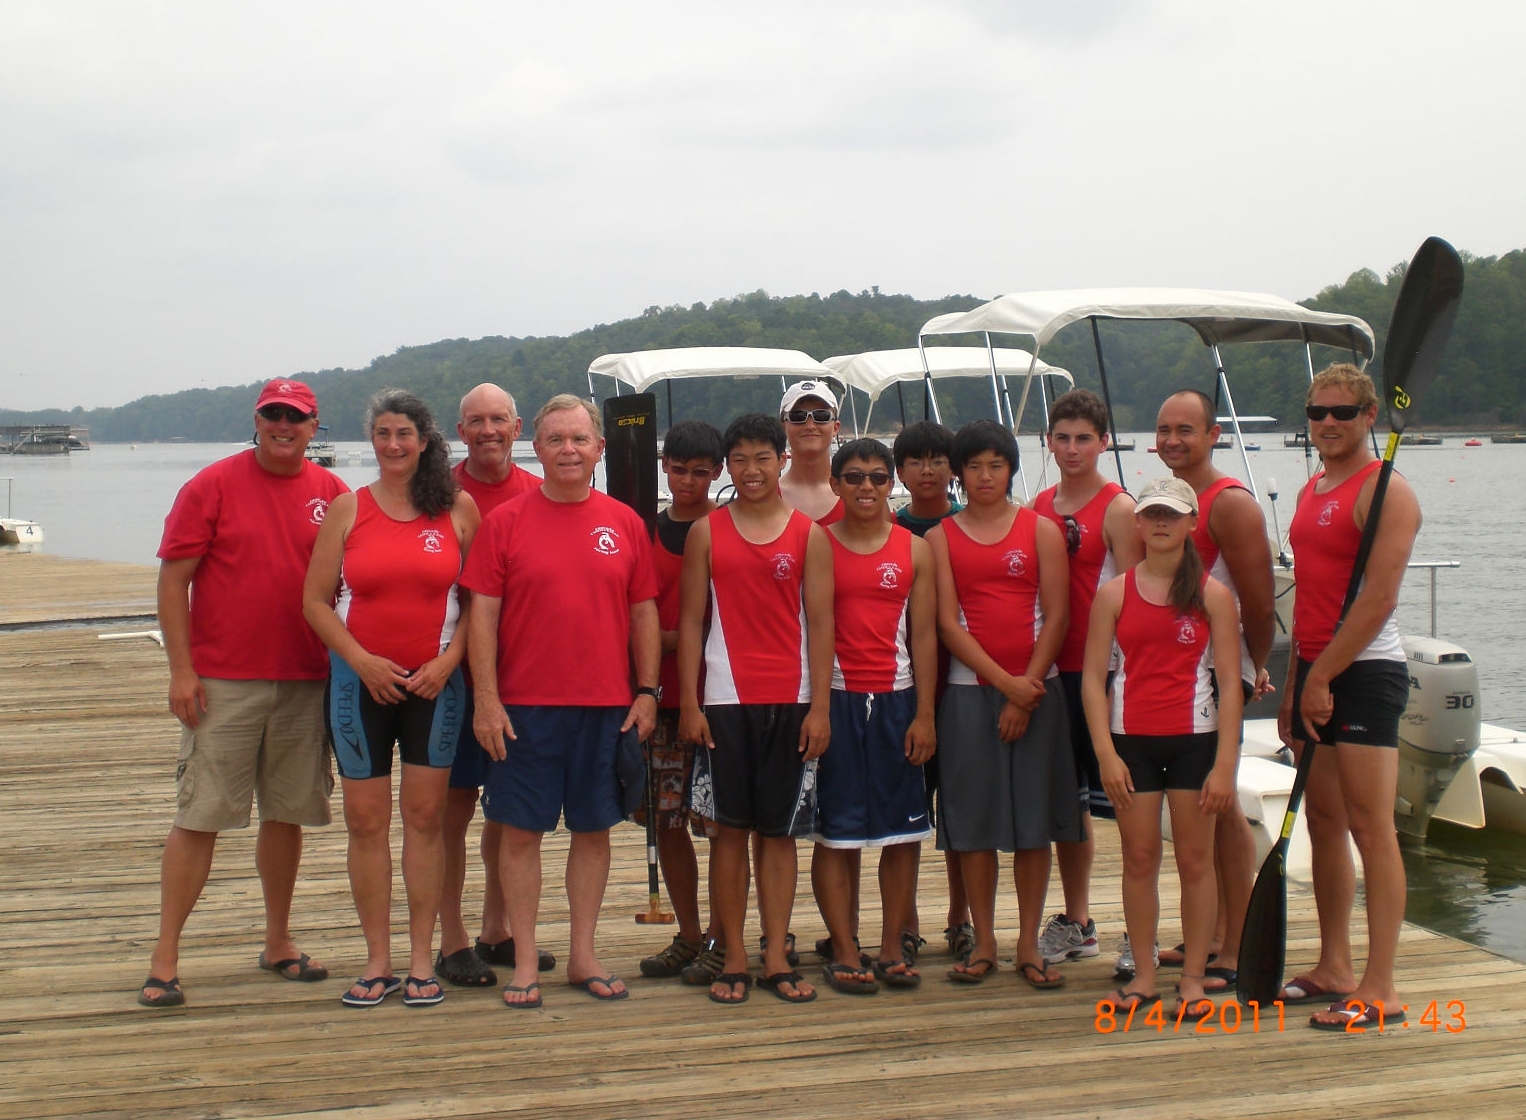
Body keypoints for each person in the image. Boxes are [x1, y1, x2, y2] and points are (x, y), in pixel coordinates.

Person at [139, 378, 348, 1009]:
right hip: (224, 682)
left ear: (316, 427)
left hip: (307, 680)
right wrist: (182, 670)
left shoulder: (334, 493)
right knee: (199, 815)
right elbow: (174, 583)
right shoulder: (211, 485)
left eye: (297, 417)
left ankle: (278, 940)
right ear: (257, 421)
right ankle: (165, 957)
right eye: (273, 415)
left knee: (286, 815)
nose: (284, 425)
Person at [461, 394, 659, 1009]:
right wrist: (487, 701)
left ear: (599, 448)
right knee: (519, 834)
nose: (568, 449)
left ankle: (582, 953)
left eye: (579, 439)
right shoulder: (506, 522)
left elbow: (643, 610)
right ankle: (524, 960)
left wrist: (648, 691)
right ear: (536, 448)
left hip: (605, 706)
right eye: (555, 440)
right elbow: (482, 619)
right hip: (524, 708)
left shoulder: (624, 522)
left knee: (593, 831)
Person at [303, 389, 479, 1008]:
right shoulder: (348, 509)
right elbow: (314, 603)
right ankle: (378, 960)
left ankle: (422, 959)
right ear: (371, 441)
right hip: (360, 686)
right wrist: (362, 662)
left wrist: (449, 663)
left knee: (426, 821)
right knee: (366, 822)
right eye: (383, 433)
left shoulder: (458, 509)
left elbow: (479, 607)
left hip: (435, 685)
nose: (394, 444)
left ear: (425, 440)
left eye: (405, 433)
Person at [1277, 364, 1420, 1032]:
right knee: (1323, 822)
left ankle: (1381, 985)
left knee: (1372, 828)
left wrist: (1324, 676)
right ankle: (1333, 965)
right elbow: (1312, 595)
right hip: (1316, 671)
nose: (1327, 423)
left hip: (1364, 674)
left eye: (1341, 412)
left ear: (1370, 417)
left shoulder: (1386, 492)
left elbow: (1377, 599)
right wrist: (1299, 679)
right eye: (1316, 412)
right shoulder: (1311, 490)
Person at [680, 412, 833, 1005]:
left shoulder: (808, 534)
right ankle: (735, 956)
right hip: (724, 702)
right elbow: (692, 622)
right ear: (729, 466)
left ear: (781, 461)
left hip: (790, 701)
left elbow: (821, 625)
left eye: (762, 458)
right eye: (739, 459)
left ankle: (774, 954)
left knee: (778, 835)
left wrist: (819, 708)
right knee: (727, 834)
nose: (751, 470)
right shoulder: (707, 534)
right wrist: (691, 703)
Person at [1082, 476, 1242, 1020]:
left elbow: (1228, 686)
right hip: (1132, 744)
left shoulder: (1214, 598)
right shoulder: (1115, 592)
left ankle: (1193, 979)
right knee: (1139, 858)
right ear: (1138, 523)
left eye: (1171, 515)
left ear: (1192, 524)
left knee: (1197, 862)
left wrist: (1225, 765)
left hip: (1196, 744)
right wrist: (1104, 752)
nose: (1160, 523)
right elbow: (1092, 679)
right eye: (1151, 514)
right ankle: (1146, 976)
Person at [926, 419, 1076, 988]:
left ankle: (1029, 942)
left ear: (1011, 468)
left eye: (996, 464)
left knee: (1034, 822)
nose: (985, 476)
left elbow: (1057, 615)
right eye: (973, 466)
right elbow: (947, 622)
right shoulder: (941, 537)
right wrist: (1002, 684)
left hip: (1040, 693)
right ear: (958, 474)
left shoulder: (1040, 530)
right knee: (973, 822)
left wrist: (1025, 688)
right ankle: (983, 939)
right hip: (969, 696)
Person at [1145, 388, 1274, 991]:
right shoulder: (1169, 502)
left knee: (1224, 810)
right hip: (1178, 679)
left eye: (1186, 430)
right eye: (1165, 429)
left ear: (1213, 434)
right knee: (1207, 811)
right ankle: (1217, 932)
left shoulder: (1231, 504)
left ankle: (1236, 940)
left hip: (1218, 676)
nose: (1173, 440)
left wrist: (1250, 669)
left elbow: (1258, 597)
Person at [810, 438, 937, 993]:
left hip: (897, 699)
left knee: (901, 833)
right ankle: (843, 946)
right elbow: (811, 631)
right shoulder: (818, 544)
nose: (867, 487)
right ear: (835, 484)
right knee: (834, 834)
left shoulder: (915, 550)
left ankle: (890, 946)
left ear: (893, 485)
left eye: (878, 478)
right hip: (836, 698)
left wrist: (925, 714)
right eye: (855, 477)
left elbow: (925, 635)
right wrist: (817, 710)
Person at [436, 383, 552, 989]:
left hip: (526, 677)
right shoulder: (440, 494)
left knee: (509, 815)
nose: (488, 430)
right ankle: (452, 939)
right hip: (453, 679)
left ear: (518, 427)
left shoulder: (540, 494)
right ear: (461, 430)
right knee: (451, 812)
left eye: (498, 420)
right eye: (476, 421)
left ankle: (496, 928)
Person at [1032, 390, 1143, 969]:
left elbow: (1134, 592)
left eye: (1084, 438)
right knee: (1069, 806)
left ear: (1104, 442)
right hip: (1054, 672)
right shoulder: (1038, 505)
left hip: (1105, 673)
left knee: (1125, 805)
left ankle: (1138, 932)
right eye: (1062, 437)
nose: (1072, 448)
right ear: (1048, 442)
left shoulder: (1119, 508)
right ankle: (1078, 920)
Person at [634, 419, 724, 982]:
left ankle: (723, 932)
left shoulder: (729, 528)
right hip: (656, 696)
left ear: (717, 473)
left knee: (718, 825)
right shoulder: (643, 529)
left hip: (716, 696)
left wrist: (676, 638)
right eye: (678, 469)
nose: (688, 480)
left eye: (700, 472)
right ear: (664, 468)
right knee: (666, 822)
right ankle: (689, 932)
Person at [892, 419, 969, 962]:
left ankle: (960, 919)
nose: (927, 470)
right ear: (900, 471)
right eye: (915, 461)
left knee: (960, 815)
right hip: (900, 690)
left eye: (937, 459)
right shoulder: (888, 528)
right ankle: (905, 921)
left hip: (961, 686)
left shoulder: (969, 527)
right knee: (906, 813)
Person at [778, 380, 844, 524]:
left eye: (821, 416)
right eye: (798, 417)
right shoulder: (766, 496)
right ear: (783, 427)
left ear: (835, 428)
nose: (810, 425)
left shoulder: (855, 494)